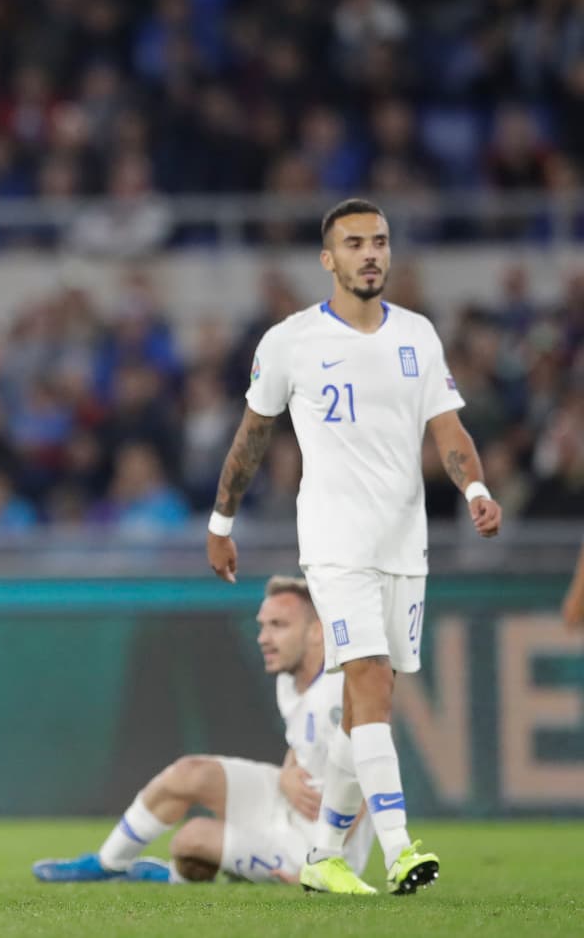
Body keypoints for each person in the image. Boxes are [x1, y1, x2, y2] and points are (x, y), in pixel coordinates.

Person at [205, 198, 502, 896]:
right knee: (366, 675)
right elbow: (252, 437)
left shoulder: (420, 336)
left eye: (379, 241)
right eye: (355, 243)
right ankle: (401, 850)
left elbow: (449, 433)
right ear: (328, 259)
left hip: (406, 544)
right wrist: (221, 524)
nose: (370, 253)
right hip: (334, 545)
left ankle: (323, 857)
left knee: (371, 702)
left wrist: (476, 490)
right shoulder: (291, 341)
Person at [32, 576, 372, 886]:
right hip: (286, 801)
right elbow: (302, 741)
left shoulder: (338, 692)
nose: (263, 638)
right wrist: (285, 775)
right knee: (189, 773)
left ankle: (172, 877)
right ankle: (109, 863)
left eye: (279, 625)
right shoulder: (289, 678)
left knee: (190, 841)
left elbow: (368, 778)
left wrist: (319, 866)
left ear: (316, 631)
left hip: (314, 843)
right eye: (262, 626)